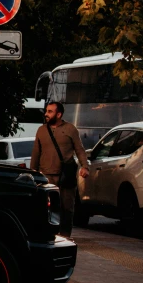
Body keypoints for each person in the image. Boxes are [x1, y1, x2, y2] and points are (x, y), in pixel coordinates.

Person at [30, 101, 89, 238]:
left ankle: (65, 236)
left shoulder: (70, 129)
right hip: (46, 176)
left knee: (66, 208)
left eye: (50, 111)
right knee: (46, 209)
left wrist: (84, 166)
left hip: (66, 175)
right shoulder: (41, 130)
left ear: (59, 114)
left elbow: (79, 149)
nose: (46, 114)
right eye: (46, 111)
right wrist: (32, 174)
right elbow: (36, 153)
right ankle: (47, 235)